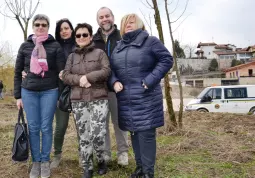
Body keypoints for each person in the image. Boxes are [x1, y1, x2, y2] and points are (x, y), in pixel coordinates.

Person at [110, 14, 173, 178]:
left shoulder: (150, 41)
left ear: (139, 24)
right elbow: (111, 70)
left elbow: (166, 59)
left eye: (132, 22)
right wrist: (114, 81)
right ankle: (140, 168)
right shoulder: (118, 47)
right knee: (134, 133)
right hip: (126, 100)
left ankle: (148, 172)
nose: (128, 25)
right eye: (125, 23)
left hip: (146, 98)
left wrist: (150, 80)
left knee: (146, 135)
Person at [14, 14, 65, 178]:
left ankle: (45, 161)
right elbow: (17, 72)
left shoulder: (55, 46)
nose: (40, 27)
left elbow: (61, 72)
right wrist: (17, 96)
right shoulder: (24, 46)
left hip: (49, 91)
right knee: (34, 128)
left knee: (46, 127)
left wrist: (59, 94)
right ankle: (36, 162)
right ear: (33, 27)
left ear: (48, 27)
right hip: (28, 92)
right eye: (37, 24)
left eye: (43, 24)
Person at [62, 23, 111, 178]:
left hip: (98, 99)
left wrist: (89, 77)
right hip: (78, 100)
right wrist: (80, 79)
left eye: (85, 34)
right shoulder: (71, 57)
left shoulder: (100, 53)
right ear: (75, 38)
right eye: (78, 35)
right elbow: (65, 75)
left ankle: (101, 159)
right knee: (84, 135)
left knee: (98, 134)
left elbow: (106, 70)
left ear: (90, 36)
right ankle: (87, 167)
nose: (81, 37)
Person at [93, 6, 129, 166]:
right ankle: (105, 153)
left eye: (107, 16)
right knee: (102, 124)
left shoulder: (122, 37)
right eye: (101, 17)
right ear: (98, 21)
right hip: (99, 89)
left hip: (118, 88)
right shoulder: (93, 40)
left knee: (119, 122)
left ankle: (123, 153)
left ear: (113, 17)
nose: (104, 19)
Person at [50, 18, 76, 169]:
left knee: (81, 127)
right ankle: (57, 155)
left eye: (67, 28)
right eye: (61, 29)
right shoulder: (54, 47)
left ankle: (84, 154)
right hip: (60, 92)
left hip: (79, 91)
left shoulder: (79, 44)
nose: (64, 31)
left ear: (72, 29)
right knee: (61, 126)